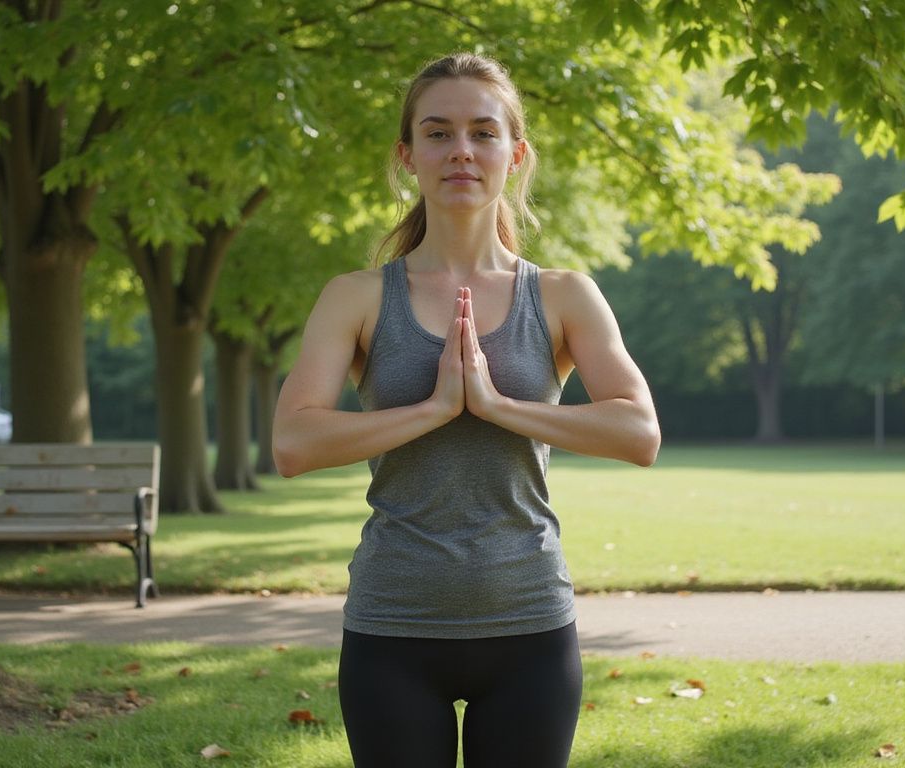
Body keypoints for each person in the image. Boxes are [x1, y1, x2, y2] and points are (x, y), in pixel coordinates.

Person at [272, 52, 660, 768]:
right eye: (438, 132)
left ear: (515, 155)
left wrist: (496, 404)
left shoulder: (564, 295)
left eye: (483, 132)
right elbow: (294, 442)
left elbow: (638, 431)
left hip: (530, 628)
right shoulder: (355, 297)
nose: (461, 151)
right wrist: (437, 407)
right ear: (407, 155)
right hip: (393, 629)